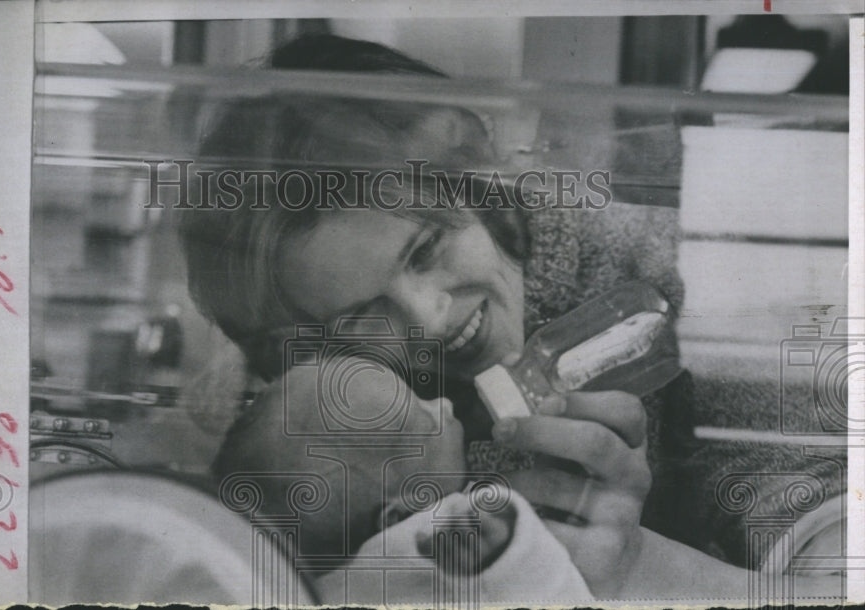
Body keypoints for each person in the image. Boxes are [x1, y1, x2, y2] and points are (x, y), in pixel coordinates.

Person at [179, 33, 844, 600]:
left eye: (427, 247)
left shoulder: (660, 277)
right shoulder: (296, 405)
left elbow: (827, 536)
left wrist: (638, 566)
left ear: (476, 181)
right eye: (360, 316)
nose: (429, 319)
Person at [212, 357, 594, 606]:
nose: (442, 403)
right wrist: (505, 550)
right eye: (425, 421)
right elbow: (552, 589)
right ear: (398, 519)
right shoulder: (438, 534)